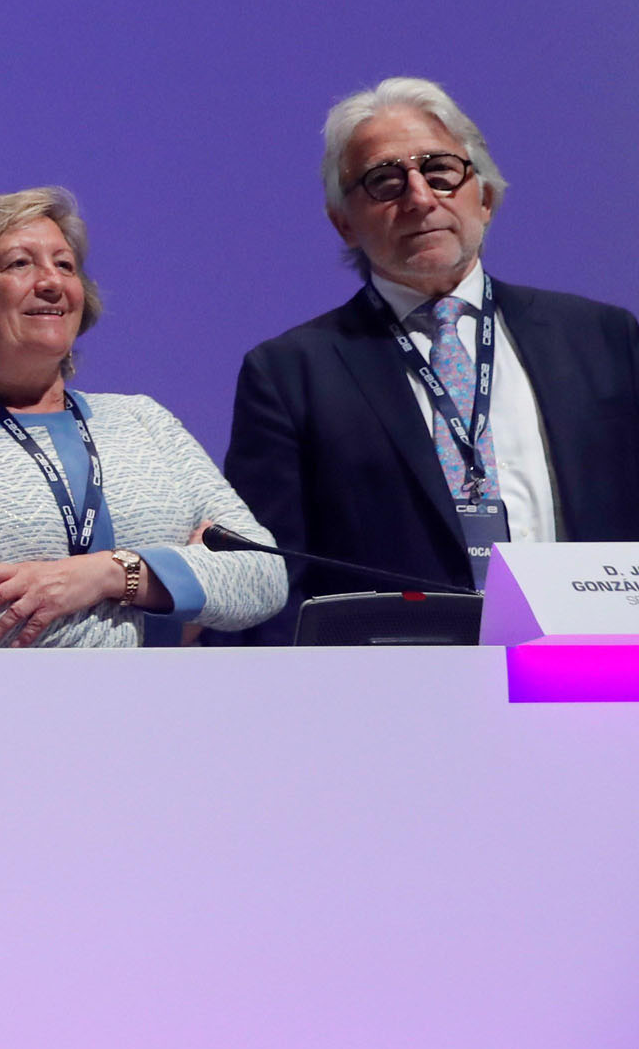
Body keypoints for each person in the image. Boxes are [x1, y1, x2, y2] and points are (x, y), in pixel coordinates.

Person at [226, 78, 639, 635]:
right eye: (384, 181)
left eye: (440, 171)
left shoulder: (602, 338)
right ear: (344, 223)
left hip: (594, 663)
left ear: (485, 198)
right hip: (398, 678)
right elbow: (270, 585)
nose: (420, 198)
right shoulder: (290, 374)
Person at [0, 188, 284, 648]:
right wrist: (183, 610)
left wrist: (110, 574)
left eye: (65, 265)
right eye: (19, 264)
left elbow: (264, 574)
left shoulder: (144, 420)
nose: (52, 282)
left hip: (181, 695)